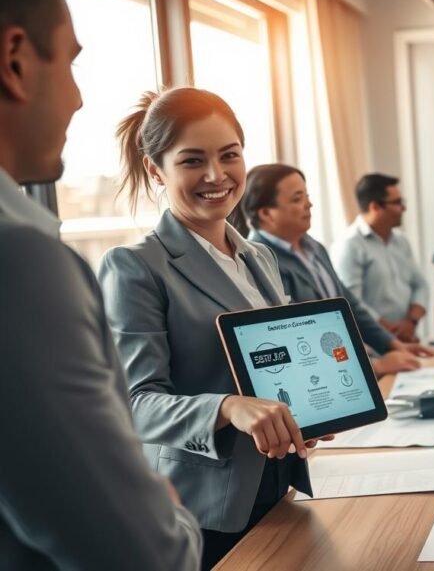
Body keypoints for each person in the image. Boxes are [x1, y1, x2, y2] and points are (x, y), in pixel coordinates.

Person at [0, 0, 201, 569]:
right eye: (70, 61)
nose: (79, 97)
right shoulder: (20, 262)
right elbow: (139, 552)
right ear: (14, 60)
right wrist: (167, 514)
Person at [98, 88, 327, 570]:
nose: (215, 176)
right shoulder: (136, 267)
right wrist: (227, 408)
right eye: (192, 161)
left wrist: (308, 403)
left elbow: (266, 359)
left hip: (277, 484)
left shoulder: (257, 255)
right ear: (156, 170)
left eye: (230, 156)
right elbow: (133, 403)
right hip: (206, 510)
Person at [231, 163, 434, 375]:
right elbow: (299, 337)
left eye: (307, 196)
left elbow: (348, 305)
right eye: (297, 199)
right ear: (266, 213)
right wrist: (376, 366)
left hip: (351, 366)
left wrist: (393, 344)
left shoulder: (314, 247)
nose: (309, 204)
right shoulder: (259, 261)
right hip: (323, 378)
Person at [333, 173, 429, 343]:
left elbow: (420, 285)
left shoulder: (401, 241)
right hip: (374, 345)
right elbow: (352, 301)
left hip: (407, 339)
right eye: (397, 203)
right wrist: (389, 330)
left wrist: (410, 323)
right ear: (375, 207)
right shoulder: (350, 245)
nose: (403, 208)